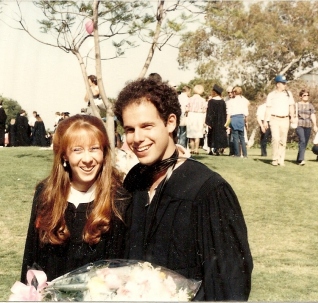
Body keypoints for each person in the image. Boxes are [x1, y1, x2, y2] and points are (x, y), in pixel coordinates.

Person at [114, 78, 253, 301]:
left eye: (147, 126)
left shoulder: (207, 189)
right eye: (130, 129)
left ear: (170, 122)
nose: (137, 138)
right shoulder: (134, 181)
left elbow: (229, 281)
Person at [20, 114, 131, 283]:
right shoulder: (46, 195)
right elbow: (32, 257)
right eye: (77, 150)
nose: (87, 159)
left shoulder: (119, 199)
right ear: (64, 155)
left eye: (94, 148)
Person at [264, 75, 295, 166]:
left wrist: (292, 117)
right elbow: (268, 108)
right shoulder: (271, 95)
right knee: (275, 138)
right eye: (283, 83)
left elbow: (291, 106)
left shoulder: (288, 94)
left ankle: (281, 159)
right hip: (274, 119)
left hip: (285, 119)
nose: (285, 85)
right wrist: (265, 121)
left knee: (283, 140)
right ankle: (275, 158)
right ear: (278, 84)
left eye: (285, 83)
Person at [295, 89, 318, 165]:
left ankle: (299, 158)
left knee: (305, 142)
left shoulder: (310, 105)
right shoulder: (297, 105)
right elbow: (293, 114)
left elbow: (312, 115)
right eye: (304, 95)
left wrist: (315, 125)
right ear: (300, 96)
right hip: (299, 124)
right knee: (302, 140)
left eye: (307, 95)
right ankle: (301, 159)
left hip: (308, 125)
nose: (306, 97)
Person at [227, 86, 250, 158]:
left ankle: (237, 154)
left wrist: (227, 124)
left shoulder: (231, 101)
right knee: (242, 137)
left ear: (234, 92)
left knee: (235, 137)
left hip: (234, 118)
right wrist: (246, 122)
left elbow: (229, 113)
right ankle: (245, 154)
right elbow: (246, 113)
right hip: (241, 118)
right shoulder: (243, 101)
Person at [205, 84, 228, 155]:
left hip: (213, 121)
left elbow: (209, 113)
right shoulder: (222, 102)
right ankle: (218, 150)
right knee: (219, 135)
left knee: (211, 135)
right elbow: (224, 113)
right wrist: (225, 122)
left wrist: (208, 122)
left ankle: (211, 150)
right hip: (221, 121)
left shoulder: (211, 101)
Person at [186, 84, 207, 155]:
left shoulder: (190, 99)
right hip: (199, 116)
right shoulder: (203, 100)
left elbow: (187, 109)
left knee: (191, 134)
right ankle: (196, 149)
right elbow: (204, 110)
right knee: (198, 134)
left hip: (191, 115)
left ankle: (191, 149)